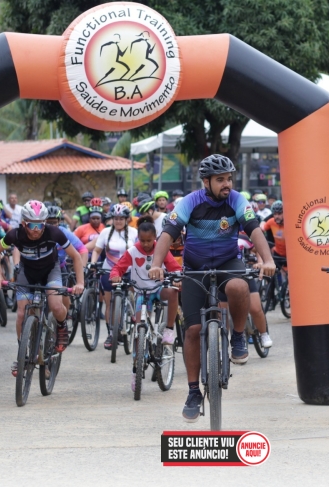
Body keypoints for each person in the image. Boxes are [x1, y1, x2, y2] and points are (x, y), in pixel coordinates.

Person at [148, 154, 276, 422]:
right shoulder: (189, 202)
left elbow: (254, 229)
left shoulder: (237, 200)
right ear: (206, 182)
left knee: (239, 286)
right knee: (193, 330)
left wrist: (268, 260)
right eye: (220, 180)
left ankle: (238, 336)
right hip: (195, 267)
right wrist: (156, 264)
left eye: (229, 178)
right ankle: (193, 392)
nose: (227, 184)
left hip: (228, 262)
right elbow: (168, 233)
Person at [0, 200, 86, 375]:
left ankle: (62, 325)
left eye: (40, 224)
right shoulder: (15, 235)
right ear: (24, 223)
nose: (36, 229)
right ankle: (23, 355)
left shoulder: (54, 232)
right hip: (27, 272)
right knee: (21, 313)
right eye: (32, 225)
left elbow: (76, 256)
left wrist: (80, 283)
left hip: (51, 271)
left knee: (56, 306)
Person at [110, 217, 182, 391]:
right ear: (138, 239)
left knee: (173, 291)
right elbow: (118, 267)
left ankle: (169, 330)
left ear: (155, 238)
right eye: (142, 240)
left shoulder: (161, 250)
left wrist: (177, 278)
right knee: (138, 329)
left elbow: (174, 267)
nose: (146, 244)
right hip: (141, 292)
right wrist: (115, 276)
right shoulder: (133, 251)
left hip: (158, 289)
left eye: (149, 240)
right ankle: (136, 368)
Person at [91, 204, 138, 349]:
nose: (118, 221)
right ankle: (111, 333)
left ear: (127, 219)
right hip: (109, 270)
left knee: (133, 296)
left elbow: (139, 252)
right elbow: (97, 250)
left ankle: (132, 317)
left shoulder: (134, 232)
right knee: (110, 303)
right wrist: (93, 263)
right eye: (116, 218)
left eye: (121, 218)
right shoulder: (105, 232)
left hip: (128, 271)